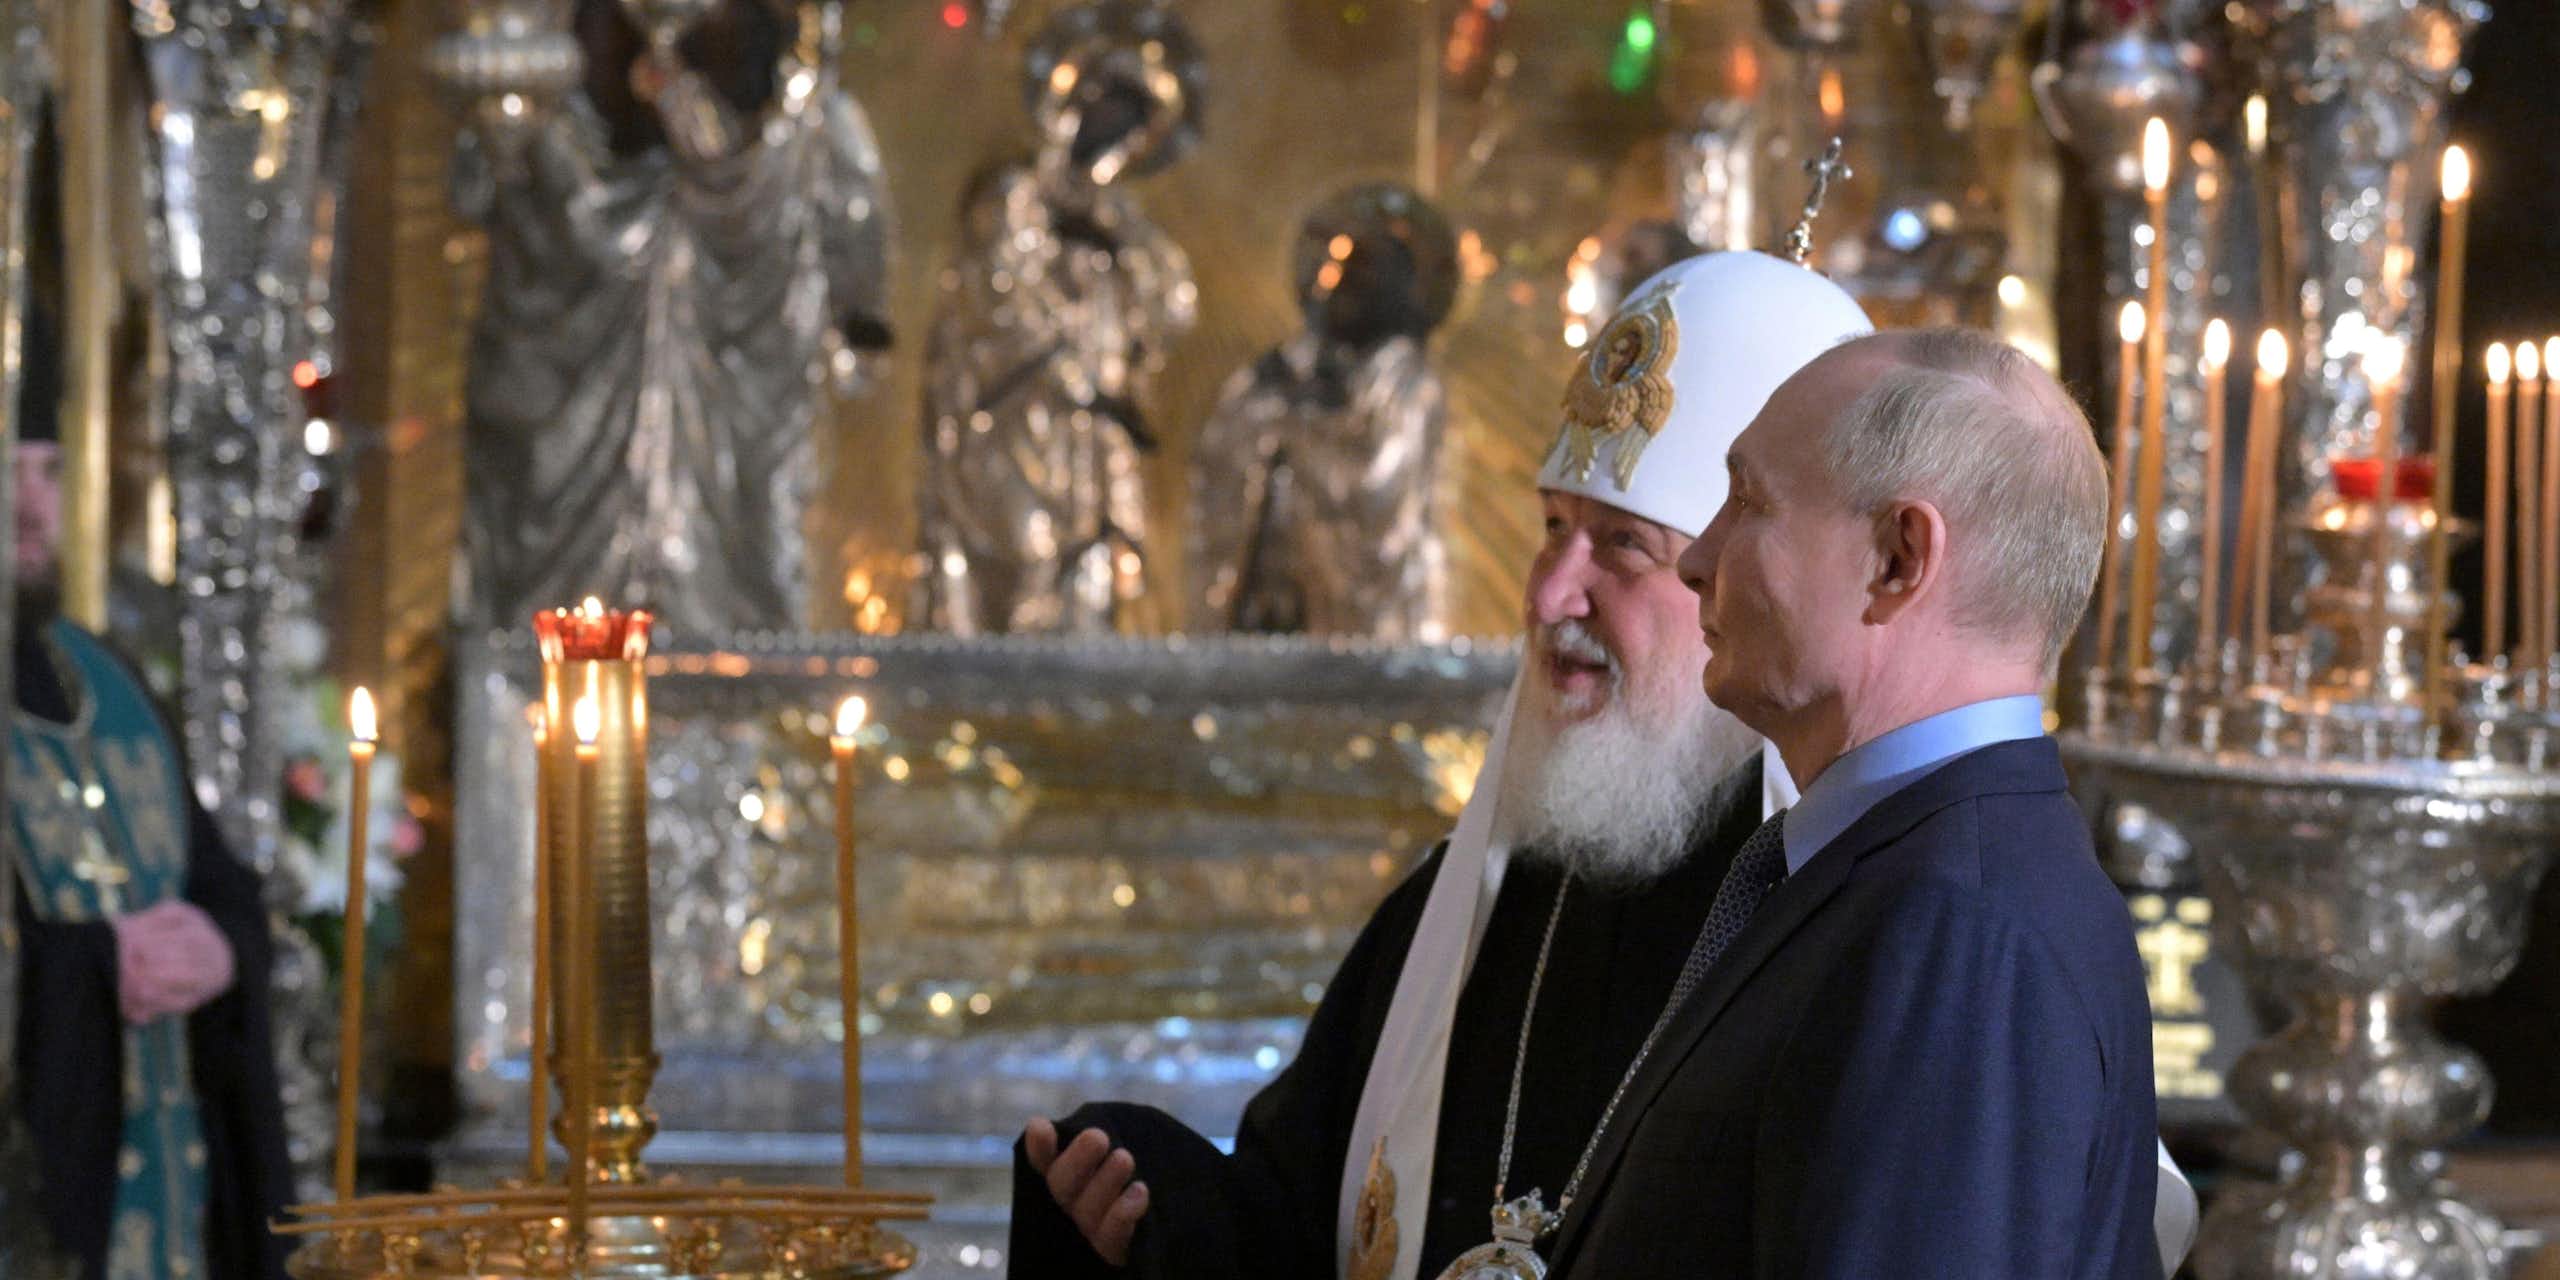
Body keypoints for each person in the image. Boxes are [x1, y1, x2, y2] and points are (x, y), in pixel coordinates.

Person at [1008, 250, 1873, 1278]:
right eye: (1552, 528)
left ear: (1743, 585)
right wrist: (1154, 1202)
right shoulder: (1468, 907)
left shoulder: (1827, 935)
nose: (1552, 591)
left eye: (1622, 545)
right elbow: (1302, 1219)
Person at [1501, 327, 2146, 1277]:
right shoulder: (1908, 871)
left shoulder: (1956, 931)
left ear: (1897, 557)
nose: (1698, 558)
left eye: (1748, 500)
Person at [8, 422, 293, 1279]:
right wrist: (97, 966)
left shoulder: (105, 674)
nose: (31, 508)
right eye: (4, 473)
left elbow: (220, 885)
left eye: (50, 471)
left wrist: (219, 946)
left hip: (175, 1207)